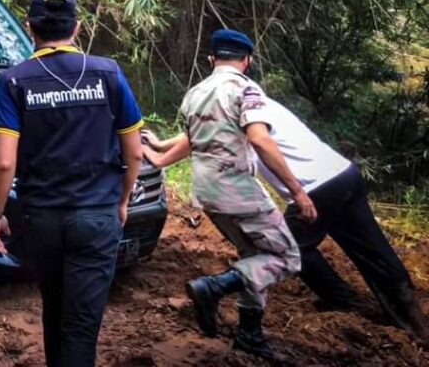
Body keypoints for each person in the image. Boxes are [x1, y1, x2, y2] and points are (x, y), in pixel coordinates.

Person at [143, 98, 429, 346]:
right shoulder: (256, 101)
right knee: (373, 249)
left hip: (314, 188)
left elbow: (207, 136)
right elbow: (197, 135)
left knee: (287, 249)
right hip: (343, 174)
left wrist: (160, 159)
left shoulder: (236, 107)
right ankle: (414, 322)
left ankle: (340, 300)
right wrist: (161, 145)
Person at [0, 0, 144, 367]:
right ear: (77, 27)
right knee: (80, 327)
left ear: (29, 28)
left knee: (54, 309)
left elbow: (4, 162)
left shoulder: (14, 81)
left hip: (41, 218)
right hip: (97, 214)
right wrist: (123, 199)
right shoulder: (108, 73)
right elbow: (135, 151)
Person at [141, 28, 314, 359]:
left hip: (206, 191)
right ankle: (214, 287)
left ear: (211, 58)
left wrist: (160, 151)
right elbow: (260, 138)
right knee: (286, 257)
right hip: (238, 190)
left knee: (254, 257)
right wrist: (297, 191)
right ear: (247, 60)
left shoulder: (195, 93)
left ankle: (250, 336)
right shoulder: (245, 89)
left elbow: (194, 140)